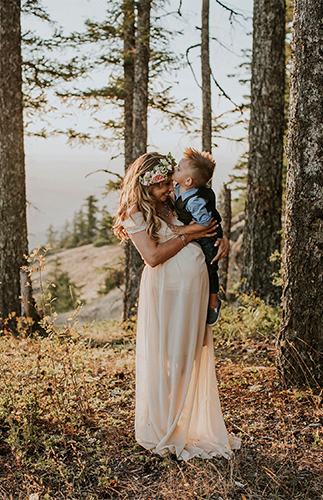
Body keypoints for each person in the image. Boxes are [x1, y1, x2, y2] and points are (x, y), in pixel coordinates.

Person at [113, 152, 240, 461]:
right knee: (165, 354)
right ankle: (163, 424)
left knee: (187, 355)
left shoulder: (172, 202)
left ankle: (181, 421)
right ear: (145, 185)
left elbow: (205, 214)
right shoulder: (135, 212)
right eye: (162, 186)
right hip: (166, 291)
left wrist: (218, 237)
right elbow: (153, 257)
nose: (169, 190)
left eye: (170, 183)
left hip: (192, 291)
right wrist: (189, 236)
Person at [171, 147, 223, 327]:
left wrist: (182, 231)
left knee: (210, 265)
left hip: (209, 234)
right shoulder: (179, 188)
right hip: (196, 231)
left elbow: (205, 223)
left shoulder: (195, 201)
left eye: (177, 169)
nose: (174, 169)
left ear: (188, 180)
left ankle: (214, 302)